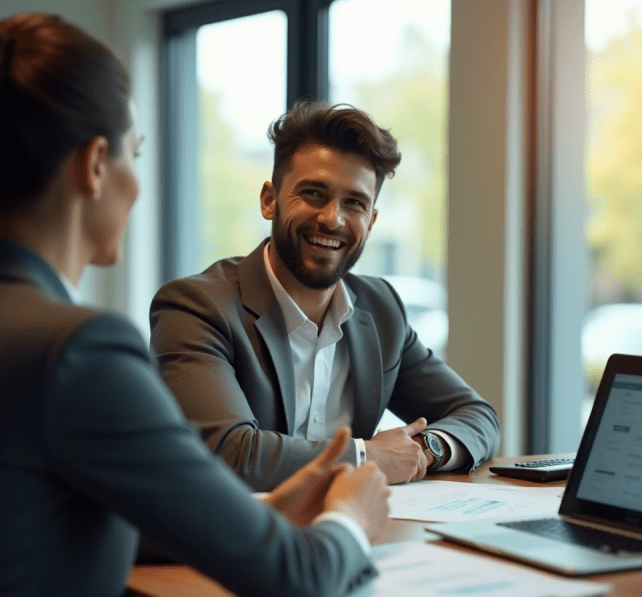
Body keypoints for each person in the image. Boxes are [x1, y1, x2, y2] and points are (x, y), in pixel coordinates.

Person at [0, 13, 389, 597]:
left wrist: (265, 513)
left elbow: (44, 517)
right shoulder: (79, 352)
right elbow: (298, 578)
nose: (138, 183)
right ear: (95, 164)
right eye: (136, 152)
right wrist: (352, 518)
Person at [149, 100, 500, 491]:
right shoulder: (195, 307)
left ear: (371, 220)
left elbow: (476, 415)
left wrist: (425, 448)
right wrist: (366, 457)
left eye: (354, 203)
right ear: (270, 200)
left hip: (354, 531)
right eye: (314, 193)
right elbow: (229, 453)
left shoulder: (382, 310)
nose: (332, 219)